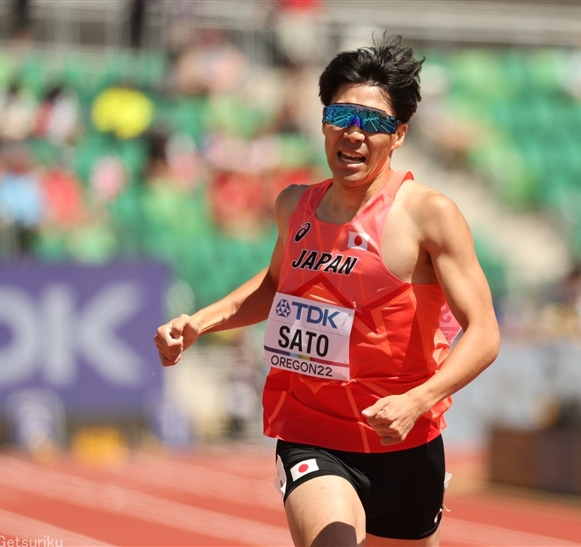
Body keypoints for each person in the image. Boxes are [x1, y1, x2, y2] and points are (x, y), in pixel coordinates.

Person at [154, 34, 500, 547]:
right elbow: (275, 284)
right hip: (312, 435)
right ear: (322, 123)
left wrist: (417, 400)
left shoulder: (429, 216)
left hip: (405, 440)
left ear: (399, 134)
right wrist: (200, 322)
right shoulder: (294, 206)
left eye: (375, 123)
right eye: (341, 117)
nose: (354, 134)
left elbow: (485, 332)